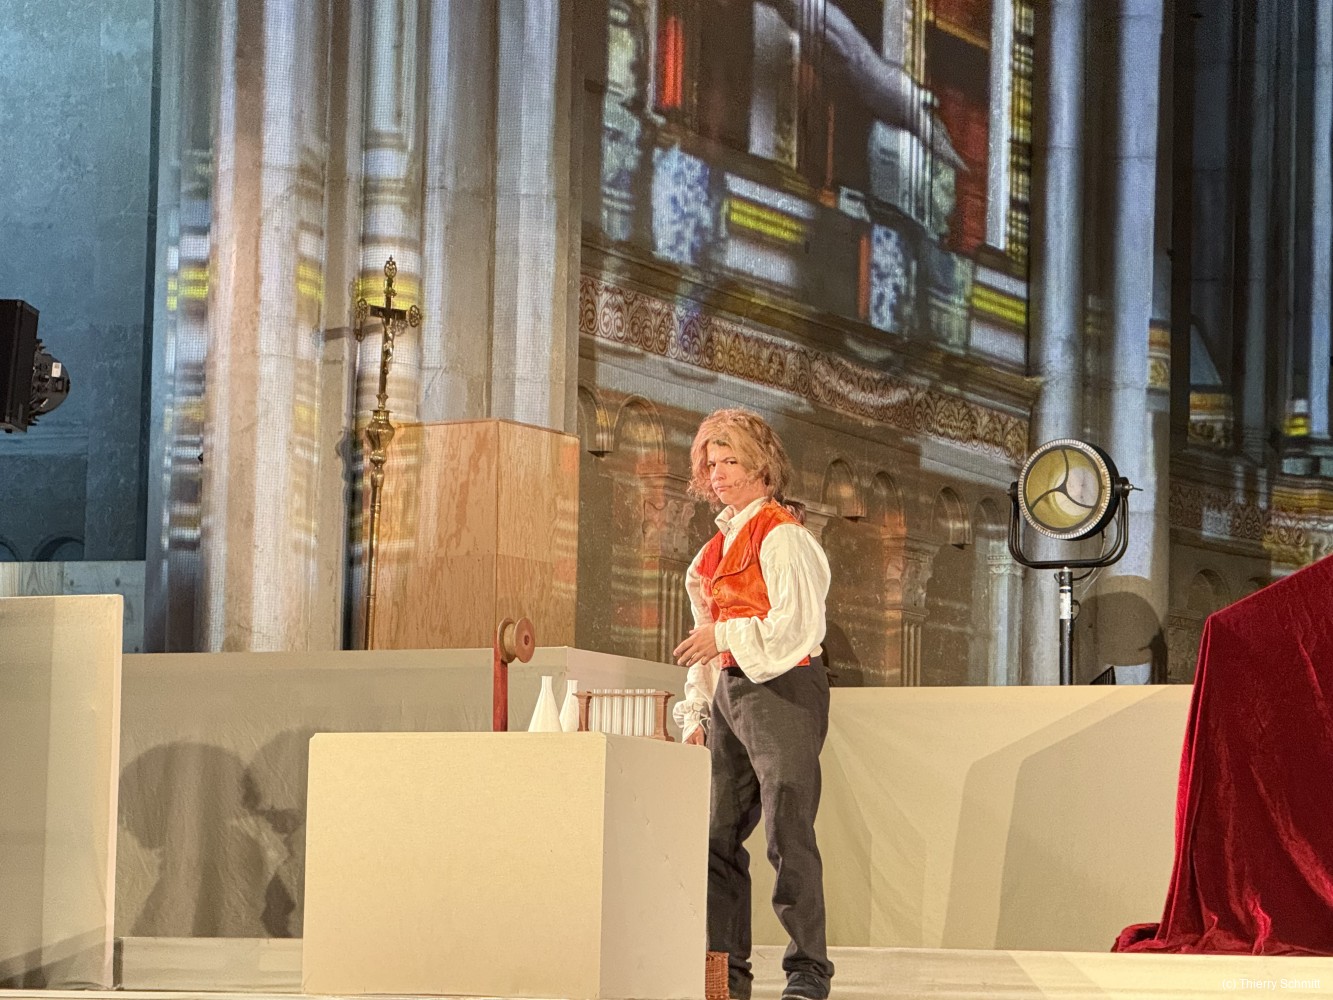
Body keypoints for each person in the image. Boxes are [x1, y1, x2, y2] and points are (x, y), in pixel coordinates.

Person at [672, 408, 834, 1000]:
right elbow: (704, 643)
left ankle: (807, 971)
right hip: (731, 692)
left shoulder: (783, 536)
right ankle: (725, 974)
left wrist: (725, 635)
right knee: (715, 835)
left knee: (787, 831)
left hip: (783, 687)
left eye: (730, 461)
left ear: (761, 465)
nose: (716, 473)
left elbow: (796, 627)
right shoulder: (711, 553)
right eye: (710, 463)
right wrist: (699, 710)